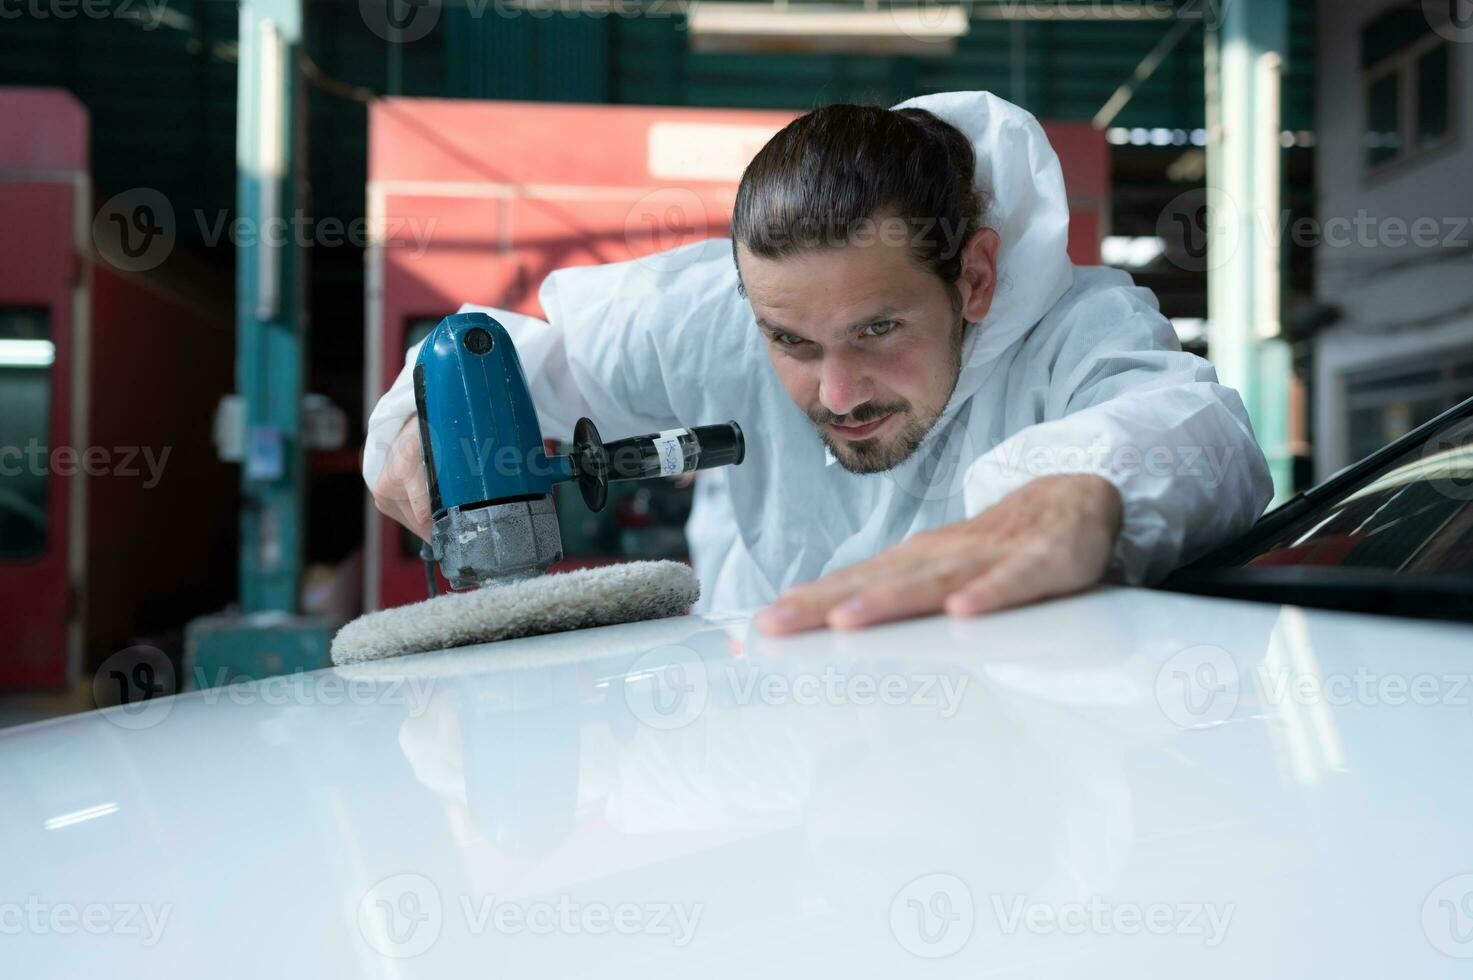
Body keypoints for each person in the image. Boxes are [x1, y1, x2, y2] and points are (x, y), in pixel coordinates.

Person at [363, 91, 1272, 636]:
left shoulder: (1073, 328)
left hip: (997, 767)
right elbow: (499, 362)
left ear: (977, 277)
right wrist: (419, 422)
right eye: (790, 343)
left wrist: (1077, 492)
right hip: (761, 736)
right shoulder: (706, 316)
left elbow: (1202, 431)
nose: (834, 395)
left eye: (877, 330)